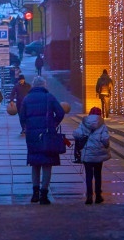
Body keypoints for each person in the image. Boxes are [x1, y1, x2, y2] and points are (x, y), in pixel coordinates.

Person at [19, 76, 65, 205]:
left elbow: (22, 116)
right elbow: (60, 113)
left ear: (33, 85)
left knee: (35, 163)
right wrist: (53, 124)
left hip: (32, 136)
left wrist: (26, 127)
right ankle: (44, 194)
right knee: (47, 164)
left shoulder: (27, 98)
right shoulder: (49, 97)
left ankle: (35, 193)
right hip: (47, 134)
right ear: (44, 85)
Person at [73, 106, 111, 204]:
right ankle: (98, 195)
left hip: (87, 153)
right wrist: (106, 145)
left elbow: (77, 134)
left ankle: (89, 196)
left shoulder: (84, 123)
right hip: (98, 153)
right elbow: (105, 139)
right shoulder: (102, 124)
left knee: (88, 175)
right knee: (98, 175)